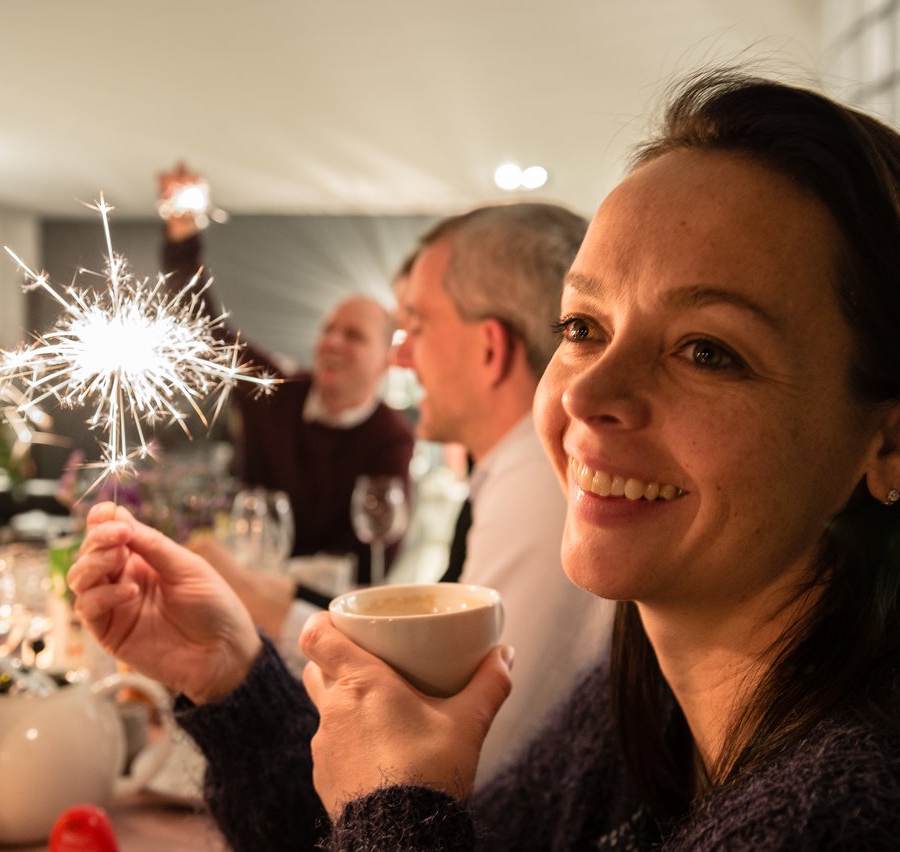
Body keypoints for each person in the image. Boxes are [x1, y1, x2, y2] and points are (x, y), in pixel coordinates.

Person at [69, 71, 900, 850]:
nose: (585, 394)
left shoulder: (886, 811)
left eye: (706, 350)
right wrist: (237, 679)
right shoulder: (647, 713)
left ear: (891, 437)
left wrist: (395, 803)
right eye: (584, 326)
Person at [191, 201, 611, 782]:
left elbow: (464, 756)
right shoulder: (517, 475)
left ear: (490, 350)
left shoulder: (540, 489)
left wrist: (262, 626)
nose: (401, 355)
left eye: (416, 326)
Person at [158, 165, 415, 584]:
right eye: (328, 329)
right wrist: (183, 239)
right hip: (247, 590)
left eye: (353, 335)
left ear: (387, 359)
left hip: (331, 611)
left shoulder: (390, 437)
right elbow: (205, 329)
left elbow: (373, 559)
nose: (332, 342)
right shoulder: (277, 393)